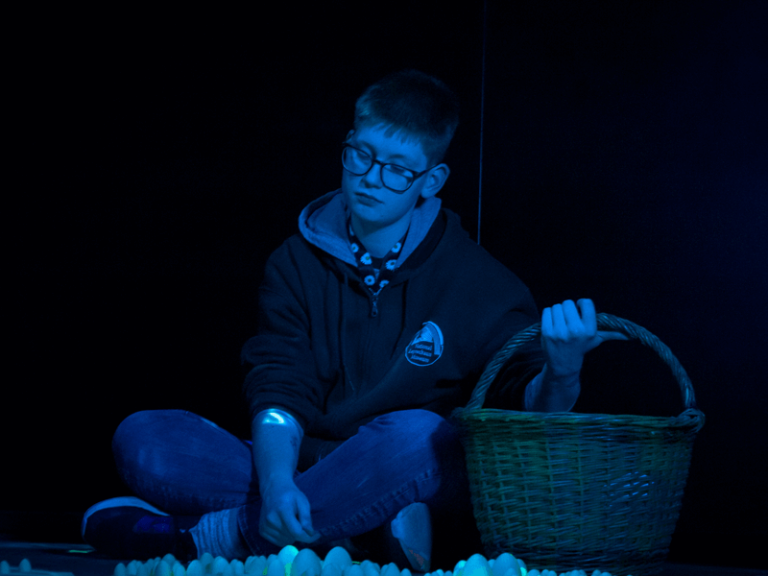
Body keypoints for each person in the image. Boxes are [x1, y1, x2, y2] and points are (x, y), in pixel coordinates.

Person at [81, 69, 623, 571]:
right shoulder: (294, 261)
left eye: (395, 170)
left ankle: (204, 539)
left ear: (430, 182)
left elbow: (523, 412)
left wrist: (563, 371)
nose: (368, 179)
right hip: (305, 462)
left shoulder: (482, 283)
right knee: (145, 437)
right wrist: (274, 485)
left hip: (402, 464)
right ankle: (359, 533)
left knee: (424, 436)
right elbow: (278, 390)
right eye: (359, 155)